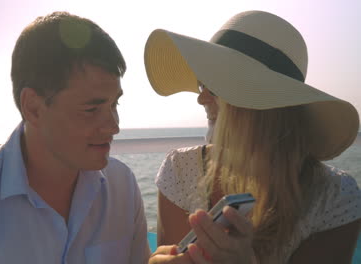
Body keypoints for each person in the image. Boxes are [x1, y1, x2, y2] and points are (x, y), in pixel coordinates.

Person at [0, 11, 153, 264]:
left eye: (114, 105)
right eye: (91, 109)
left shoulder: (122, 186)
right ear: (33, 107)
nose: (113, 126)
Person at [144, 10, 361, 263]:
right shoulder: (180, 169)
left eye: (213, 87)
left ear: (263, 105)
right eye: (203, 84)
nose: (201, 97)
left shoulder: (334, 197)